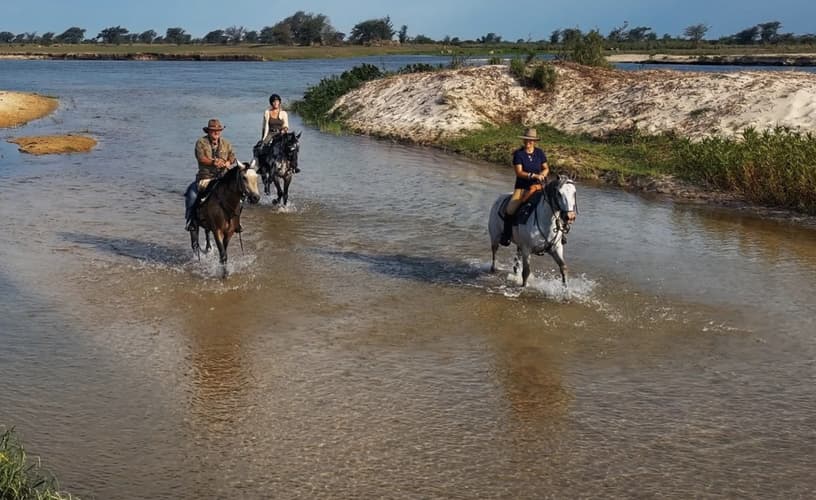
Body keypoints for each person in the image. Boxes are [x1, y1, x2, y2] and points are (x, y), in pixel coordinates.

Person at [184, 118, 237, 231]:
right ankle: (191, 220)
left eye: (218, 130)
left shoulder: (226, 143)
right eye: (213, 130)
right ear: (208, 131)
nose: (216, 132)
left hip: (224, 177)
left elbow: (232, 156)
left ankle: (236, 222)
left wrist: (228, 162)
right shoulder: (201, 142)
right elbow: (201, 158)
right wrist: (213, 162)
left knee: (238, 194)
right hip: (206, 177)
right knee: (192, 197)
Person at [500, 127, 550, 246]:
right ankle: (506, 235)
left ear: (534, 141)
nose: (528, 142)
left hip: (538, 187)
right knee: (510, 210)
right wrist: (534, 175)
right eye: (526, 140)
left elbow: (546, 168)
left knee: (554, 205)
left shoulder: (539, 153)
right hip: (522, 188)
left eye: (530, 140)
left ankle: (558, 234)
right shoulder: (519, 154)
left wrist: (543, 174)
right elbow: (519, 172)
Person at [258, 93, 299, 173]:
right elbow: (264, 127)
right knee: (262, 148)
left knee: (293, 147)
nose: (275, 103)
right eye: (274, 101)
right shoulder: (267, 112)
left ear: (279, 102)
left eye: (277, 101)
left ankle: (293, 166)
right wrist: (263, 138)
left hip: (281, 134)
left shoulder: (284, 113)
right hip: (271, 133)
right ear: (271, 103)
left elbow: (286, 125)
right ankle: (262, 167)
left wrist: (284, 130)